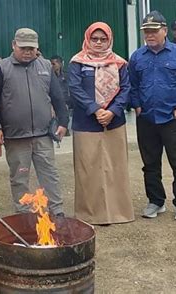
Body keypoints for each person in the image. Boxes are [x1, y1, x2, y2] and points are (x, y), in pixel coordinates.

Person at [0, 28, 69, 216]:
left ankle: (56, 211)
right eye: (23, 48)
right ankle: (23, 213)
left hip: (43, 134)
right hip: (16, 136)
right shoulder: (1, 68)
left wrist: (63, 122)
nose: (27, 52)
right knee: (19, 176)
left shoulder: (45, 66)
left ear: (37, 47)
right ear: (13, 45)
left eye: (31, 48)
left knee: (49, 174)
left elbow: (58, 97)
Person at [68, 22, 134, 225]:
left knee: (115, 168)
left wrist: (112, 112)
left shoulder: (120, 63)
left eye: (103, 39)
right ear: (88, 38)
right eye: (94, 38)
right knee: (88, 170)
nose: (98, 42)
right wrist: (96, 109)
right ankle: (90, 215)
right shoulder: (76, 62)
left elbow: (126, 89)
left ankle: (118, 213)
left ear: (109, 40)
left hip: (114, 123)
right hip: (86, 123)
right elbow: (74, 88)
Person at [129, 11, 176, 221]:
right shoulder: (137, 57)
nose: (150, 35)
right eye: (146, 31)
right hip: (146, 118)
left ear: (165, 31)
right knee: (150, 163)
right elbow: (132, 85)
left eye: (154, 30)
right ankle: (156, 201)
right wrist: (136, 106)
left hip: (172, 118)